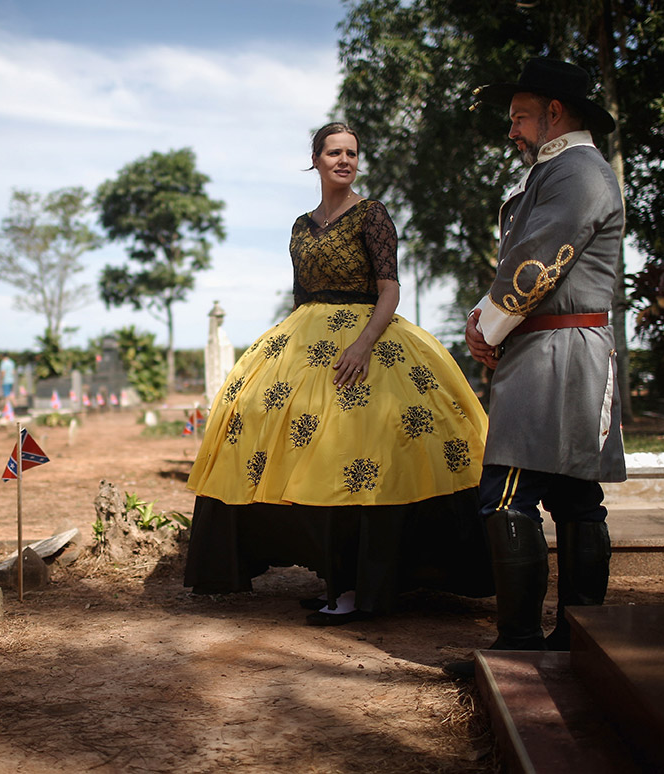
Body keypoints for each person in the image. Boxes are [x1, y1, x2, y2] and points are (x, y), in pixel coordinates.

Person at [184, 122, 493, 626]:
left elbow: (389, 289)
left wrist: (362, 345)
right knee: (288, 443)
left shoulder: (372, 214)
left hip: (370, 335)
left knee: (361, 452)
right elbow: (301, 296)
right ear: (316, 159)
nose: (344, 160)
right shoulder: (300, 226)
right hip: (305, 336)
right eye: (334, 152)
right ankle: (335, 576)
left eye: (352, 153)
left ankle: (361, 586)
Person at [448, 59, 626, 672]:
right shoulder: (563, 171)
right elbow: (520, 260)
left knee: (507, 498)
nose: (512, 130)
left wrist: (485, 326)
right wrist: (485, 316)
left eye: (520, 116)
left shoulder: (578, 172)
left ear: (554, 112)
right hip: (558, 350)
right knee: (577, 498)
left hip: (558, 353)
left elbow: (536, 263)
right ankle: (574, 642)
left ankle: (524, 643)